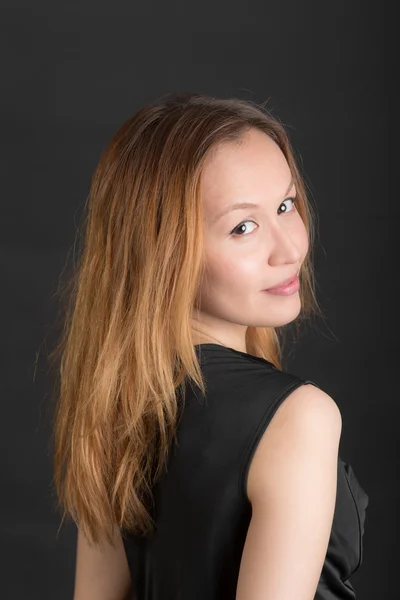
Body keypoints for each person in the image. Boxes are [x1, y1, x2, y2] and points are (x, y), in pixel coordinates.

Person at [51, 92, 369, 599]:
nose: (289, 248)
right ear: (165, 255)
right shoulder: (299, 417)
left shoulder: (120, 405)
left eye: (286, 205)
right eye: (243, 227)